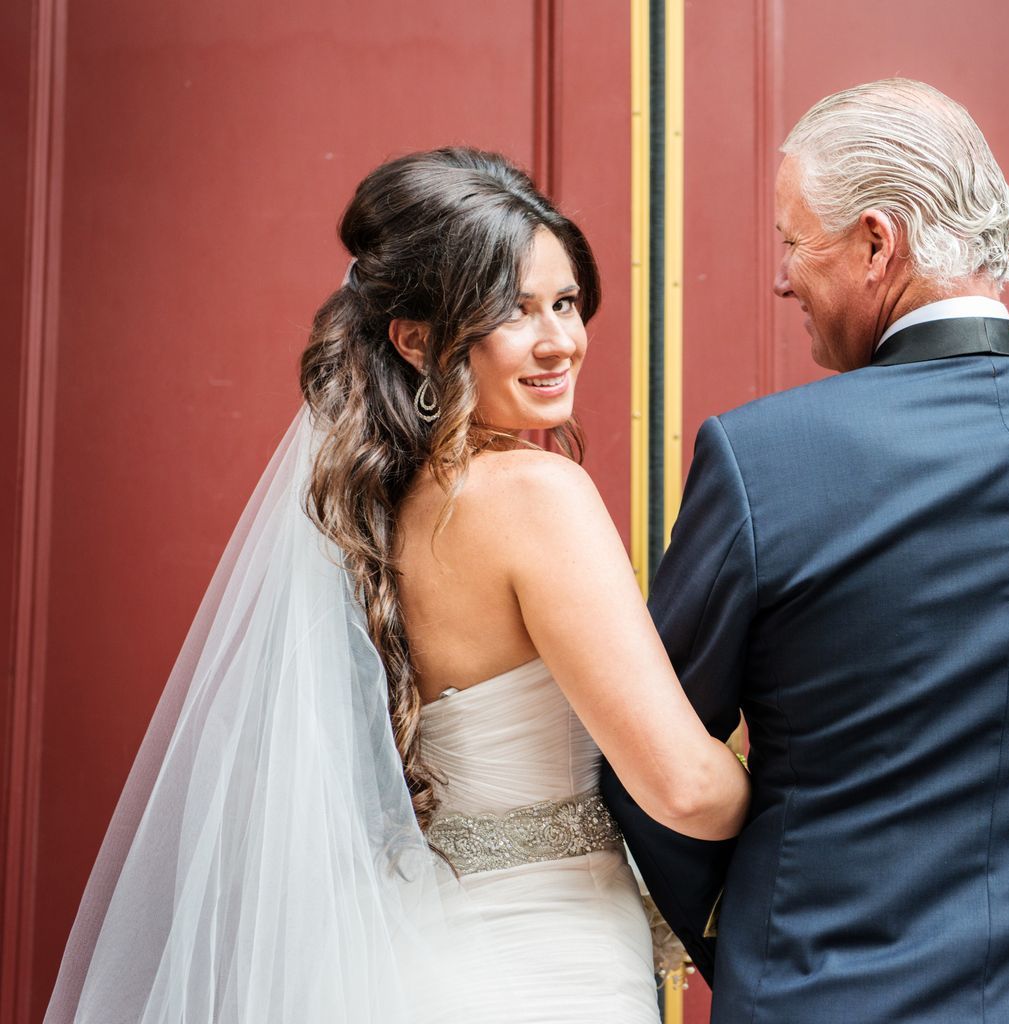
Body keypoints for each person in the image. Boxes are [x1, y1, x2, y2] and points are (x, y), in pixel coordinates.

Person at [43, 147, 750, 1024]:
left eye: (565, 302)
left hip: (417, 960)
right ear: (416, 338)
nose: (559, 339)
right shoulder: (534, 494)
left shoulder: (375, 509)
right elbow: (685, 790)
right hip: (546, 972)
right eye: (513, 311)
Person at [604, 78, 1009, 1023]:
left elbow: (647, 751)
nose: (782, 277)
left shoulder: (760, 458)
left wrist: (760, 933)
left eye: (792, 241)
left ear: (875, 242)